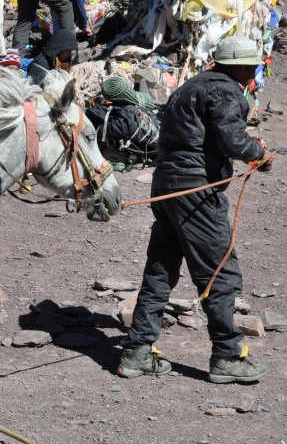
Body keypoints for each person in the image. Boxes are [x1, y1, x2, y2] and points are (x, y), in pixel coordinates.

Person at [117, 34, 275, 385]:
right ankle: (227, 356)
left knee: (161, 268)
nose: (253, 74)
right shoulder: (225, 89)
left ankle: (137, 352)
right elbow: (232, 140)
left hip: (167, 184)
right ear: (243, 67)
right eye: (252, 67)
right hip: (196, 190)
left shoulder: (189, 86)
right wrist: (259, 153)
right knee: (219, 271)